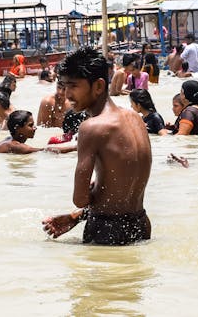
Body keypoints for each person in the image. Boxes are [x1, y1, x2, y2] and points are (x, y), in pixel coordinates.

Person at [42, 46, 152, 245]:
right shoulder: (135, 118)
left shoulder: (91, 128)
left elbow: (80, 198)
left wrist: (82, 206)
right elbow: (121, 190)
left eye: (73, 86)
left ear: (99, 86)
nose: (67, 94)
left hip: (106, 229)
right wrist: (77, 216)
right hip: (140, 224)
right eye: (64, 86)